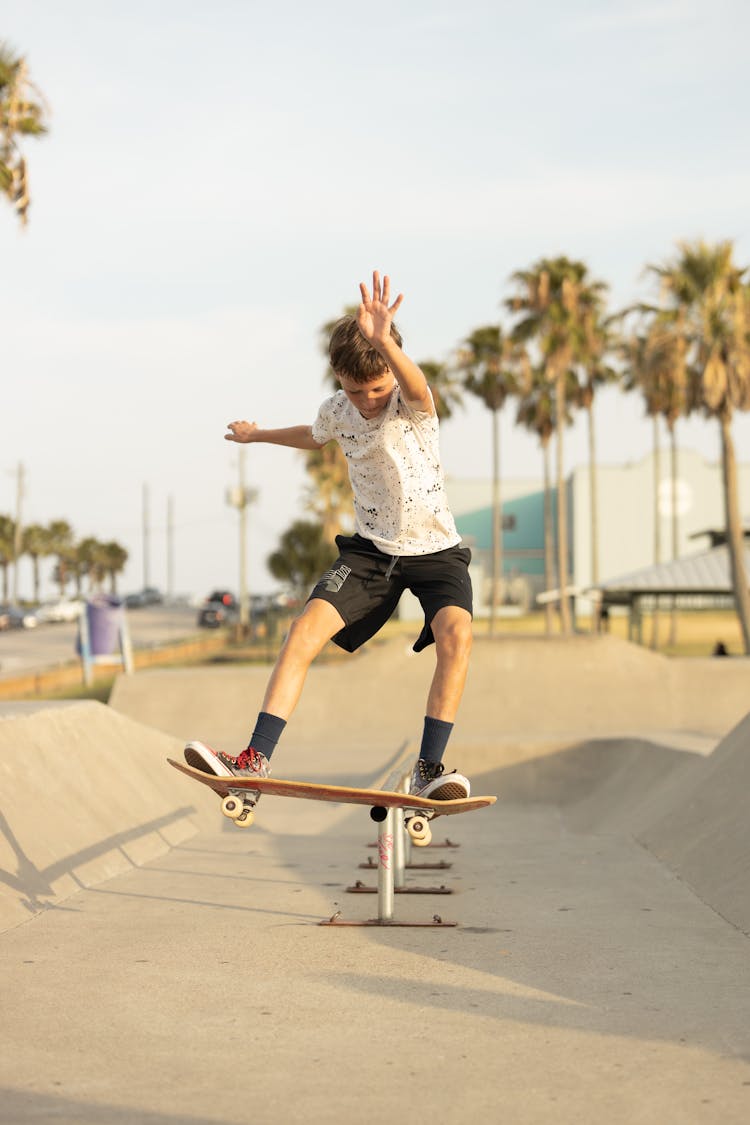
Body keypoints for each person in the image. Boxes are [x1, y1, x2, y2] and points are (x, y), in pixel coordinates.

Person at [185, 271, 473, 802]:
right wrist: (257, 435)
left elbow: (413, 384)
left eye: (376, 389)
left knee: (456, 636)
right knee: (302, 632)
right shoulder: (337, 410)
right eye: (354, 389)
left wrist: (385, 341)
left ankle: (430, 771)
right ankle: (253, 763)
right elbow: (314, 437)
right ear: (339, 381)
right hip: (370, 553)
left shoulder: (412, 404)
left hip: (436, 551)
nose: (366, 401)